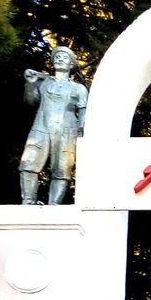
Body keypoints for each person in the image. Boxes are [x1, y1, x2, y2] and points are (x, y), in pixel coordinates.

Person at [19, 45, 88, 205]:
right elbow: (30, 102)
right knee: (28, 163)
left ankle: (54, 204)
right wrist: (30, 84)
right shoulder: (43, 83)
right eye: (57, 57)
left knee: (62, 169)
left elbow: (83, 113)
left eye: (65, 57)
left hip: (67, 131)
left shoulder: (79, 88)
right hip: (41, 127)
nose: (60, 59)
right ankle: (28, 202)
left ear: (71, 64)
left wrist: (80, 133)